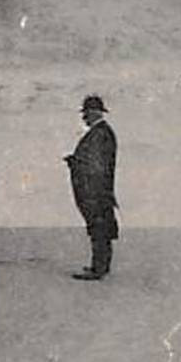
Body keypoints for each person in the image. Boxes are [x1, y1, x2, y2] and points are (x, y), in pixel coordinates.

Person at [64, 95, 118, 280]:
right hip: (101, 189)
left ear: (94, 113)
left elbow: (95, 165)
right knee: (101, 227)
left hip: (95, 190)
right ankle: (101, 266)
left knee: (98, 227)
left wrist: (75, 162)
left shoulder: (99, 134)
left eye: (86, 114)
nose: (84, 118)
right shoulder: (103, 133)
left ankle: (98, 269)